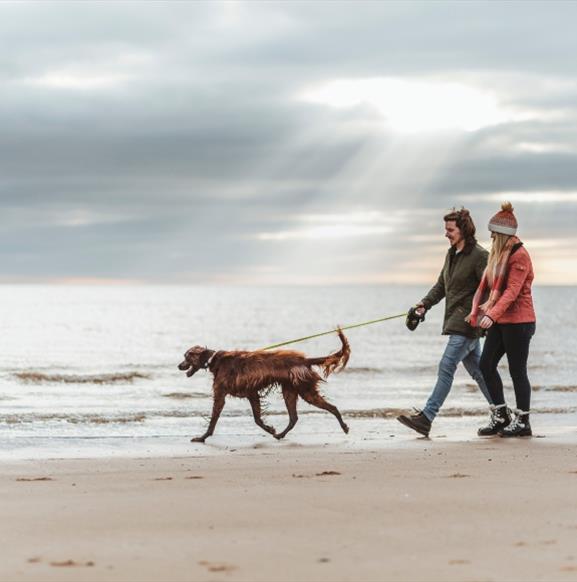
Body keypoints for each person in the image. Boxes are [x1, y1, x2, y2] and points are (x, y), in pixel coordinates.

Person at [397, 208, 493, 437]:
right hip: (457, 321)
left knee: (446, 367)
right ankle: (502, 412)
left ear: (463, 230)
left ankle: (427, 417)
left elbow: (489, 289)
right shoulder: (451, 254)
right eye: (446, 229)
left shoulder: (479, 256)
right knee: (479, 372)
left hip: (468, 324)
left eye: (450, 229)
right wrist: (424, 304)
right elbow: (442, 286)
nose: (446, 234)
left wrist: (479, 315)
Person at [467, 202, 536, 437]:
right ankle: (501, 415)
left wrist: (491, 315)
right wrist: (479, 311)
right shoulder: (499, 257)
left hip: (520, 322)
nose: (491, 238)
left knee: (517, 371)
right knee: (485, 365)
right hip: (501, 320)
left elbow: (512, 292)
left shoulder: (520, 256)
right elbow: (489, 287)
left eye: (494, 234)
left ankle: (523, 421)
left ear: (503, 235)